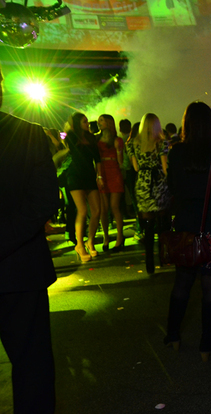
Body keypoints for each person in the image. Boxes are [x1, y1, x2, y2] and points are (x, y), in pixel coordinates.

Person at [0, 64, 57, 414]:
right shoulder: (28, 134)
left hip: (21, 271)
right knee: (32, 368)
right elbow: (44, 202)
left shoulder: (28, 133)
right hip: (20, 269)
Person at [164, 101, 211, 360]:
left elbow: (172, 187)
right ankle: (207, 344)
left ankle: (173, 335)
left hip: (186, 228)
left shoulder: (176, 153)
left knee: (182, 283)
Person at [129, 113, 171, 274]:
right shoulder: (161, 143)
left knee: (148, 225)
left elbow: (135, 168)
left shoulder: (134, 143)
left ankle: (149, 262)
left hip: (143, 182)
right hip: (158, 182)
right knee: (163, 224)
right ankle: (163, 257)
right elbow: (165, 168)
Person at [65, 112, 102, 262]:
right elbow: (68, 149)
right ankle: (79, 245)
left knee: (97, 210)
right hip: (75, 175)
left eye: (87, 121)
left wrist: (99, 176)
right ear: (77, 124)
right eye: (84, 122)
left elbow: (97, 159)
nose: (87, 124)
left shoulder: (91, 138)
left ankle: (90, 241)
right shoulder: (71, 136)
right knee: (82, 210)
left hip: (89, 175)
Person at [96, 114, 125, 252]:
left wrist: (119, 150)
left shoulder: (117, 139)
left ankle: (120, 237)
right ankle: (106, 237)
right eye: (99, 120)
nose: (99, 122)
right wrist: (98, 175)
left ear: (108, 122)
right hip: (102, 172)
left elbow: (121, 162)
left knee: (114, 206)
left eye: (101, 120)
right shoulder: (96, 139)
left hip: (114, 171)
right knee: (103, 208)